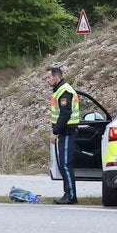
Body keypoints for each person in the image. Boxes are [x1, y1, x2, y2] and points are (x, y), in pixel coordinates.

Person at [47, 66, 80, 205]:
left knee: (65, 164)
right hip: (65, 131)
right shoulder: (60, 90)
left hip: (67, 131)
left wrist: (55, 132)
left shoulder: (65, 91)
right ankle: (68, 194)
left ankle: (70, 196)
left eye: (49, 77)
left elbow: (65, 114)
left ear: (56, 77)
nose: (47, 80)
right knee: (64, 164)